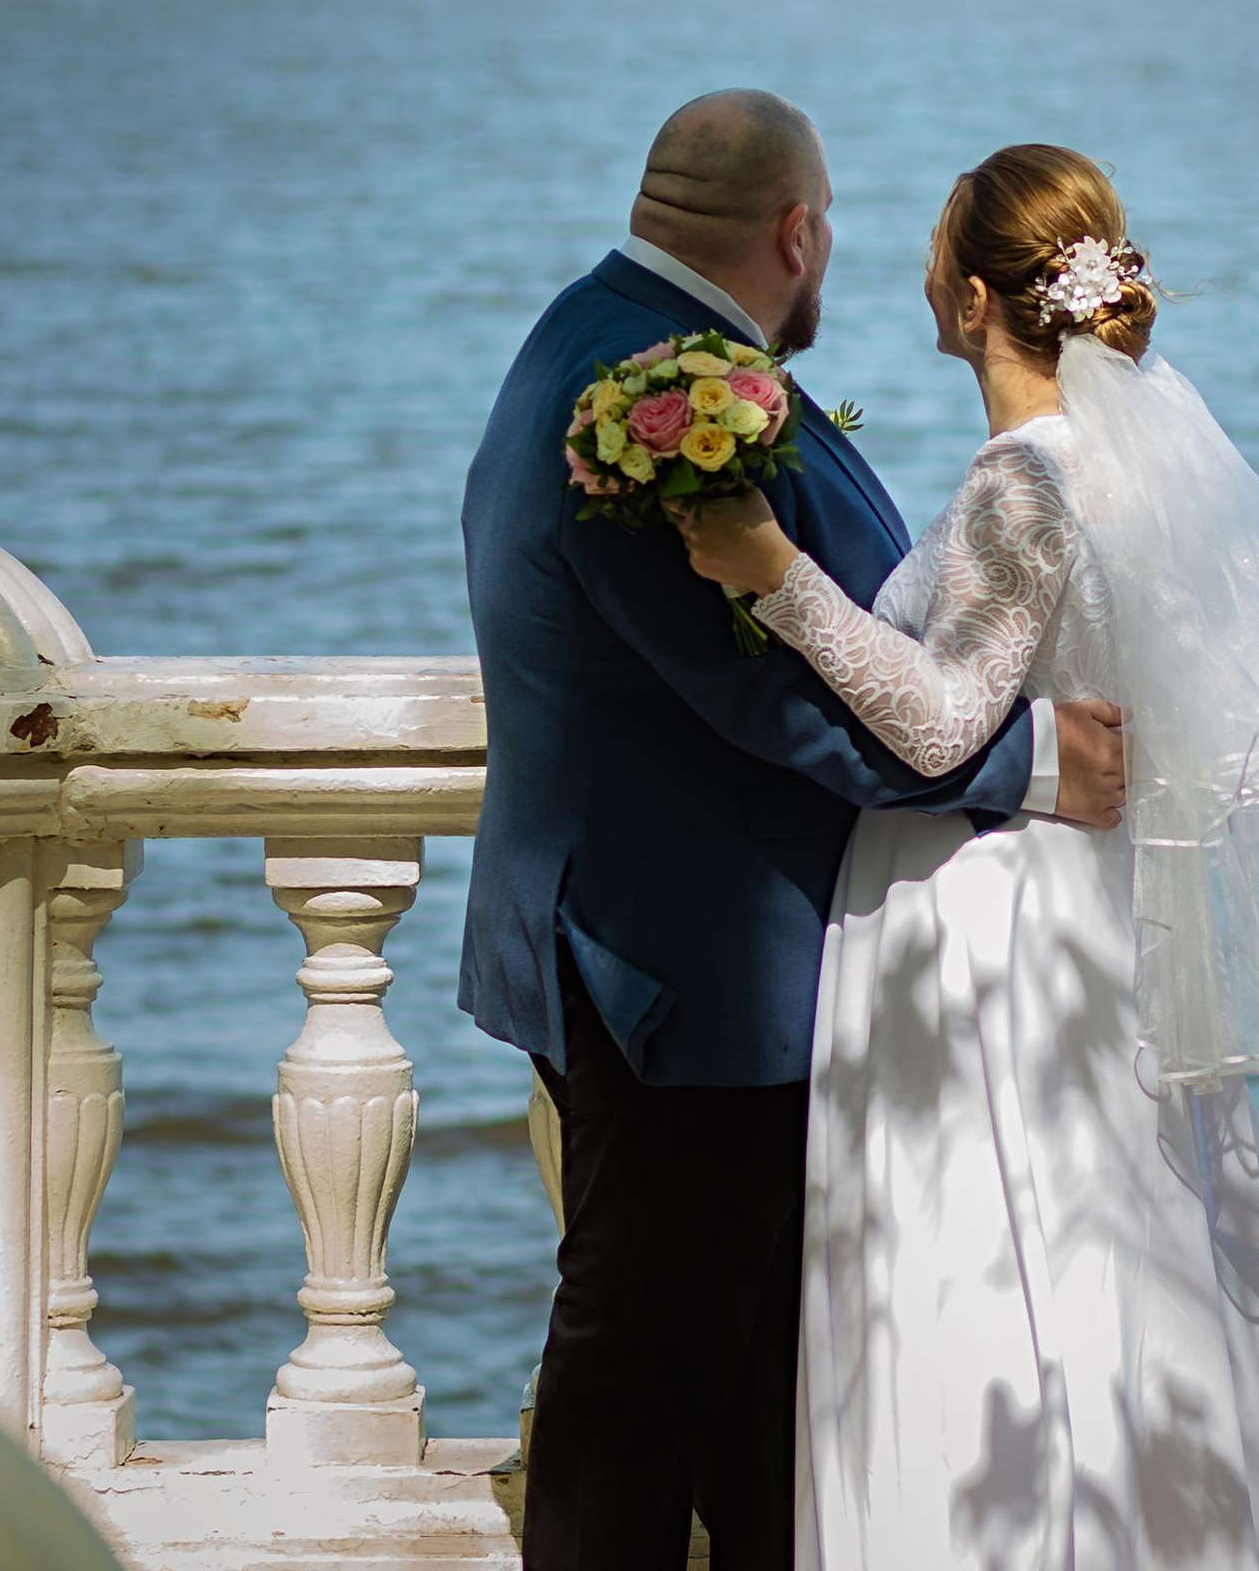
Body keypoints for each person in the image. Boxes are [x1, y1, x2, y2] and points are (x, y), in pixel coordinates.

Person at [678, 142, 1259, 1571]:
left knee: (1008, 1276)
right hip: (1095, 911)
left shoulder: (1024, 483)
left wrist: (771, 574)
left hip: (996, 931)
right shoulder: (1124, 471)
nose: (918, 278)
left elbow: (939, 720)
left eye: (934, 259)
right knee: (1117, 1264)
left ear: (978, 298)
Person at [459, 92, 1130, 1571]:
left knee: (748, 1377)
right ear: (798, 230)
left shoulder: (599, 337)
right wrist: (1030, 764)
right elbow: (760, 701)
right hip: (681, 971)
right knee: (640, 1385)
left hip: (677, 951)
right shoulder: (650, 402)